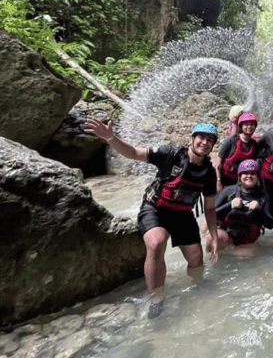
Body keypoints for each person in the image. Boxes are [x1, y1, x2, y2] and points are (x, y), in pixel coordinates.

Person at [84, 118, 219, 319]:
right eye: (201, 137)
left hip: (183, 215)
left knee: (196, 259)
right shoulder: (169, 154)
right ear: (192, 138)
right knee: (156, 244)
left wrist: (214, 237)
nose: (205, 143)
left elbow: (209, 208)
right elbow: (133, 153)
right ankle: (157, 299)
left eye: (210, 140)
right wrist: (110, 137)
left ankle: (197, 288)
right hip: (156, 209)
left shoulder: (208, 172)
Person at [211, 159, 273, 256]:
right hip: (228, 234)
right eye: (245, 173)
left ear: (258, 177)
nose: (249, 176)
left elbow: (271, 225)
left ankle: (232, 252)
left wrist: (259, 209)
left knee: (245, 256)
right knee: (211, 239)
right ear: (239, 176)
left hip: (248, 239)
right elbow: (211, 214)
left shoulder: (264, 196)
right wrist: (230, 205)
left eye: (253, 173)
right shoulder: (228, 191)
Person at [216, 112, 259, 190]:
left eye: (252, 125)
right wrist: (218, 181)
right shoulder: (231, 140)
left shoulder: (254, 145)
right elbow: (218, 161)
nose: (249, 127)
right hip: (225, 180)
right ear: (241, 126)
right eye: (246, 124)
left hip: (242, 182)